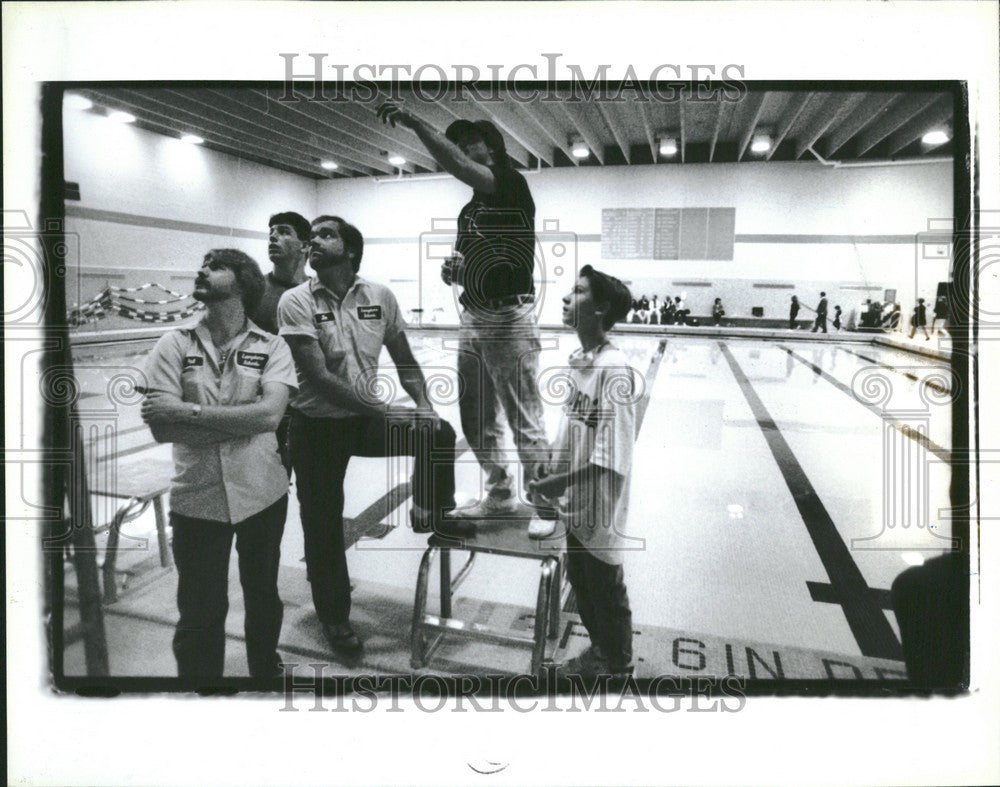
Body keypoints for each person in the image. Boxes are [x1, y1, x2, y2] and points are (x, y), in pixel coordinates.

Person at [277, 215, 465, 659]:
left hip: (362, 420)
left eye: (326, 234)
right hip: (317, 426)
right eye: (312, 236)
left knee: (437, 431)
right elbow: (318, 377)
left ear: (351, 251)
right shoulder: (295, 300)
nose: (314, 241)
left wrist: (421, 403)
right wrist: (382, 408)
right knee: (322, 525)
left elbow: (405, 360)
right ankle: (334, 616)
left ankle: (432, 508)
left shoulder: (379, 296)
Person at [376, 101, 553, 538]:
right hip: (473, 316)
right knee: (475, 415)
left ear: (489, 148)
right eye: (459, 144)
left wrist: (416, 120)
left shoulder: (511, 184)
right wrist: (456, 272)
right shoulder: (470, 209)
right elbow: (474, 260)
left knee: (523, 416)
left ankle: (547, 504)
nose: (462, 150)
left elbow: (456, 165)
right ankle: (499, 492)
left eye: (469, 142)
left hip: (508, 318)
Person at [140, 249, 297, 680]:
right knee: (199, 604)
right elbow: (161, 429)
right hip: (196, 496)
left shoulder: (274, 346)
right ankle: (200, 685)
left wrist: (188, 413)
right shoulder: (172, 344)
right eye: (203, 264)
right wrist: (243, 422)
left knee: (262, 591)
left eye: (215, 265)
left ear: (244, 280)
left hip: (262, 492)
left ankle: (264, 668)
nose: (201, 270)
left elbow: (270, 417)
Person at [529, 265, 637, 679]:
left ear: (601, 307)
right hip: (576, 500)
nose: (566, 298)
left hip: (600, 502)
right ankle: (602, 652)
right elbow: (572, 430)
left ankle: (618, 664)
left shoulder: (615, 370)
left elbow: (613, 455)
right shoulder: (582, 364)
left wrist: (559, 480)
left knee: (605, 587)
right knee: (582, 581)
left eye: (577, 292)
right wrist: (551, 467)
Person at [251, 211, 311, 475]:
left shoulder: (319, 293)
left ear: (305, 246)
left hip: (308, 411)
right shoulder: (253, 292)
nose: (274, 237)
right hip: (265, 409)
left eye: (284, 231)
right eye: (271, 232)